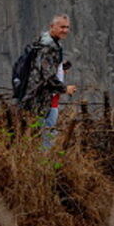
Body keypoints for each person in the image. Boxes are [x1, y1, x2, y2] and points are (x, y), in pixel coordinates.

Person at [19, 14, 76, 149]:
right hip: (42, 99)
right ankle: (43, 166)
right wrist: (64, 89)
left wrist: (61, 67)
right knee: (45, 137)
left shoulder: (47, 42)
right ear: (52, 26)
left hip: (44, 97)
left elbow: (42, 66)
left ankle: (41, 163)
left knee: (43, 134)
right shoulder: (48, 46)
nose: (65, 30)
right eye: (62, 27)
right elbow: (47, 75)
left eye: (67, 27)